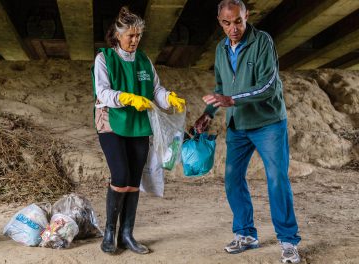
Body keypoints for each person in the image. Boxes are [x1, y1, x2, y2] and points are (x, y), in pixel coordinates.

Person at [194, 0, 301, 263]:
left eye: (238, 21)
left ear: (246, 17)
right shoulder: (221, 49)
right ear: (220, 22)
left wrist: (234, 100)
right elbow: (221, 86)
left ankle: (288, 241)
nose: (233, 28)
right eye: (227, 23)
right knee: (232, 179)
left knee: (277, 179)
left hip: (268, 123)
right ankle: (246, 234)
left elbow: (268, 86)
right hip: (238, 125)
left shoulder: (262, 41)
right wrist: (207, 115)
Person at [92, 6, 185, 255]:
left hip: (138, 124)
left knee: (134, 179)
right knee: (120, 175)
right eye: (130, 35)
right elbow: (102, 92)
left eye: (138, 36)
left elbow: (155, 90)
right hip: (111, 121)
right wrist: (129, 98)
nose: (134, 40)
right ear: (118, 35)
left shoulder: (144, 60)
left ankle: (127, 234)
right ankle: (110, 232)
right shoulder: (104, 58)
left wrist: (169, 99)